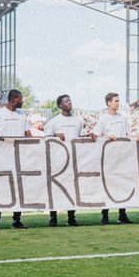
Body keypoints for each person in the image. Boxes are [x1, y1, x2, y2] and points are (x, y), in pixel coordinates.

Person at [0, 89, 31, 230]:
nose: (22, 101)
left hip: (19, 158)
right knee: (0, 189)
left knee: (19, 189)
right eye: (20, 99)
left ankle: (16, 220)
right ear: (13, 99)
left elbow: (28, 134)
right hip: (2, 158)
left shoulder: (22, 115)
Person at [93, 91, 133, 224]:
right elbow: (95, 136)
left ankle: (122, 214)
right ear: (109, 103)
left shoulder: (123, 118)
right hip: (108, 158)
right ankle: (105, 215)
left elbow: (126, 135)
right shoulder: (103, 119)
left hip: (122, 157)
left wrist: (135, 138)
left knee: (123, 184)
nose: (118, 103)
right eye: (116, 101)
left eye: (118, 101)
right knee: (107, 185)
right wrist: (107, 137)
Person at [44, 94, 83, 227]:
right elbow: (46, 138)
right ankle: (53, 217)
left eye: (70, 100)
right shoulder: (54, 121)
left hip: (74, 160)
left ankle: (71, 217)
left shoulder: (78, 121)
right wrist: (56, 135)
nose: (69, 102)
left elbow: (80, 138)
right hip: (58, 161)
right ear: (60, 105)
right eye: (66, 101)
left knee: (73, 188)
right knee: (55, 189)